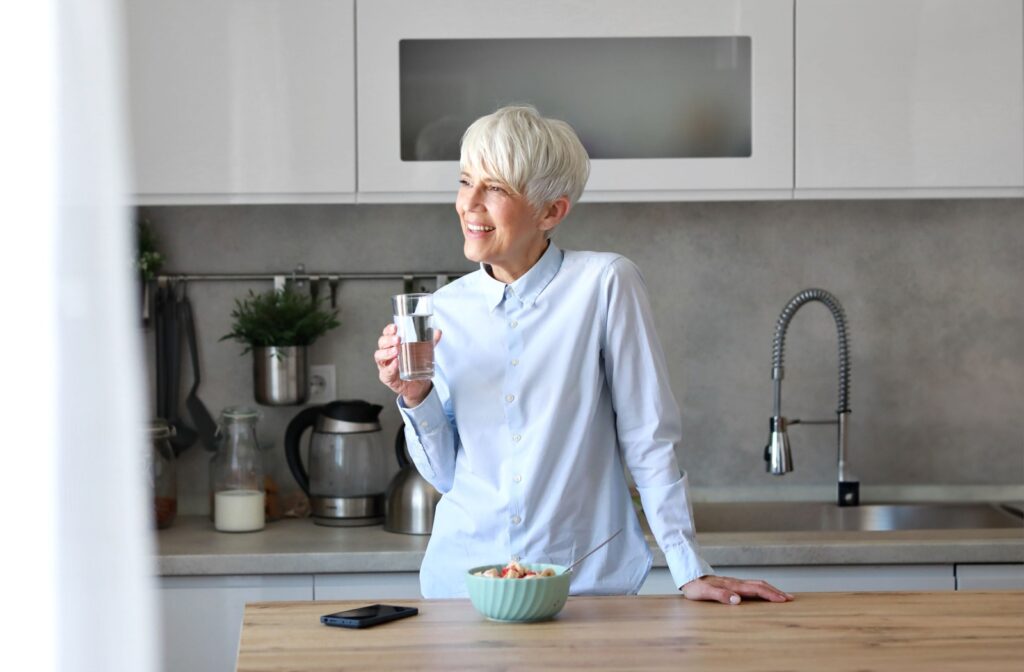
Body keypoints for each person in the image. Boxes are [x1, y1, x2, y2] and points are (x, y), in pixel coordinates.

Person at [374, 105, 792, 605]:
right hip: (462, 586)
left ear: (551, 211)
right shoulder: (441, 312)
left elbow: (647, 435)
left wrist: (688, 567)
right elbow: (444, 473)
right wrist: (414, 394)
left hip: (582, 584)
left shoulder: (605, 284)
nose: (470, 204)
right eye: (467, 182)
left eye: (497, 189)